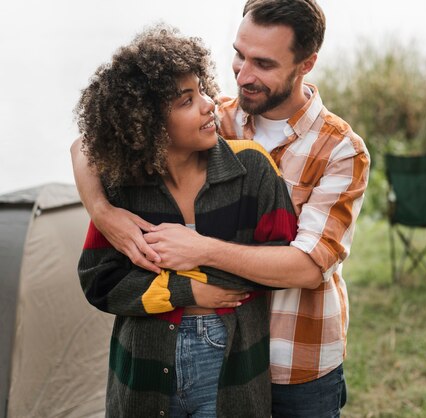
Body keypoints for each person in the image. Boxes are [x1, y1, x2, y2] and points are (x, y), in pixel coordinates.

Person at [71, 1, 370, 416]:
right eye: (239, 54)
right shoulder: (218, 119)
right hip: (204, 349)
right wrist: (104, 212)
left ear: (306, 64)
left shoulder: (340, 149)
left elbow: (307, 266)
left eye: (263, 63)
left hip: (293, 358)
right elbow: (89, 144)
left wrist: (199, 249)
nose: (243, 75)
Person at [74, 24, 297, 418]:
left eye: (203, 90)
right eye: (186, 100)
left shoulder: (253, 170)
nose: (209, 104)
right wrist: (185, 292)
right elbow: (99, 280)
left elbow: (278, 263)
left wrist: (200, 260)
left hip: (233, 371)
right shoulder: (121, 189)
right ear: (147, 125)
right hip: (141, 371)